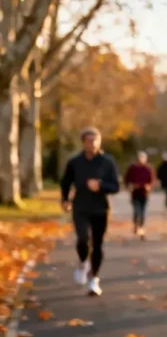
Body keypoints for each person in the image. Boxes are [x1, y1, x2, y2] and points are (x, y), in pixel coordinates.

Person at [60, 127, 119, 296]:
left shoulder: (107, 162)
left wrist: (100, 185)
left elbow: (115, 186)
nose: (92, 143)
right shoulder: (75, 162)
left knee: (98, 244)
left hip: (101, 208)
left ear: (99, 142)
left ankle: (94, 279)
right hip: (80, 207)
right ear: (83, 142)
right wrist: (65, 199)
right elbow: (66, 182)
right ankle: (83, 262)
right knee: (83, 239)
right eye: (88, 140)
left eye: (95, 140)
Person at [124, 151, 154, 239]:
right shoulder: (132, 168)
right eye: (140, 158)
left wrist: (149, 186)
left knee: (143, 212)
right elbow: (127, 179)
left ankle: (141, 228)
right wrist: (129, 186)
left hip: (144, 193)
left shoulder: (148, 168)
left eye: (143, 158)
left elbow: (152, 181)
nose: (141, 160)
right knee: (136, 211)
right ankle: (135, 224)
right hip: (135, 193)